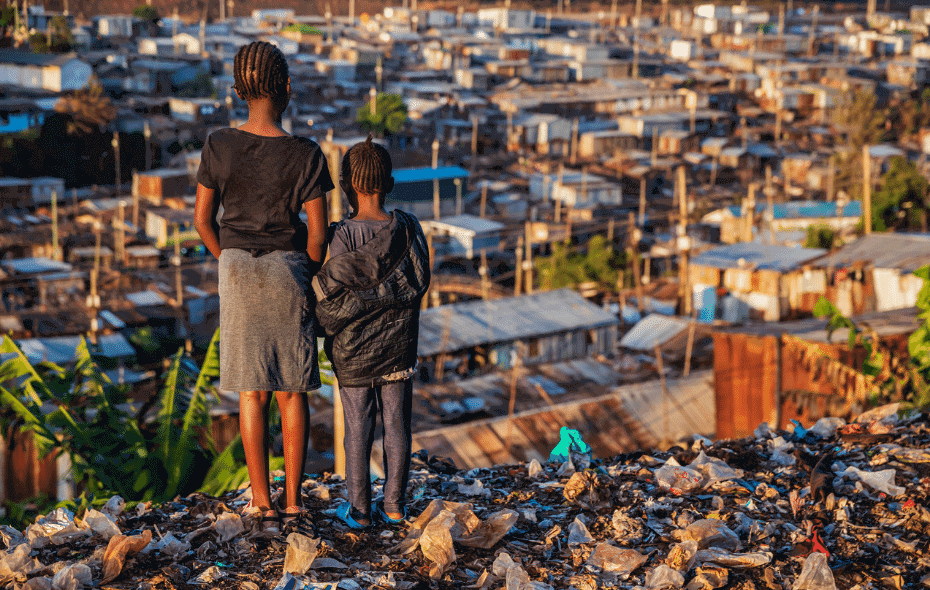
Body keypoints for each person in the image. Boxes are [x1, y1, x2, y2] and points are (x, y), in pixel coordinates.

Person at [194, 41, 333, 531]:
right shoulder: (306, 154)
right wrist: (307, 271)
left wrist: (229, 260)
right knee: (292, 393)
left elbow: (202, 220)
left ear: (237, 91)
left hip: (236, 269)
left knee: (251, 393)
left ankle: (261, 501)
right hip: (288, 270)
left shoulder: (218, 144)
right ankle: (294, 501)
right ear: (287, 89)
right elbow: (317, 233)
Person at [312, 137, 430, 527]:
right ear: (390, 183)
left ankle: (360, 510)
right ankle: (395, 505)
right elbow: (417, 282)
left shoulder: (341, 235)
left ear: (346, 184)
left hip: (352, 351)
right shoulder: (409, 230)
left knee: (357, 428)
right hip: (399, 346)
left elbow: (336, 294)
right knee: (397, 424)